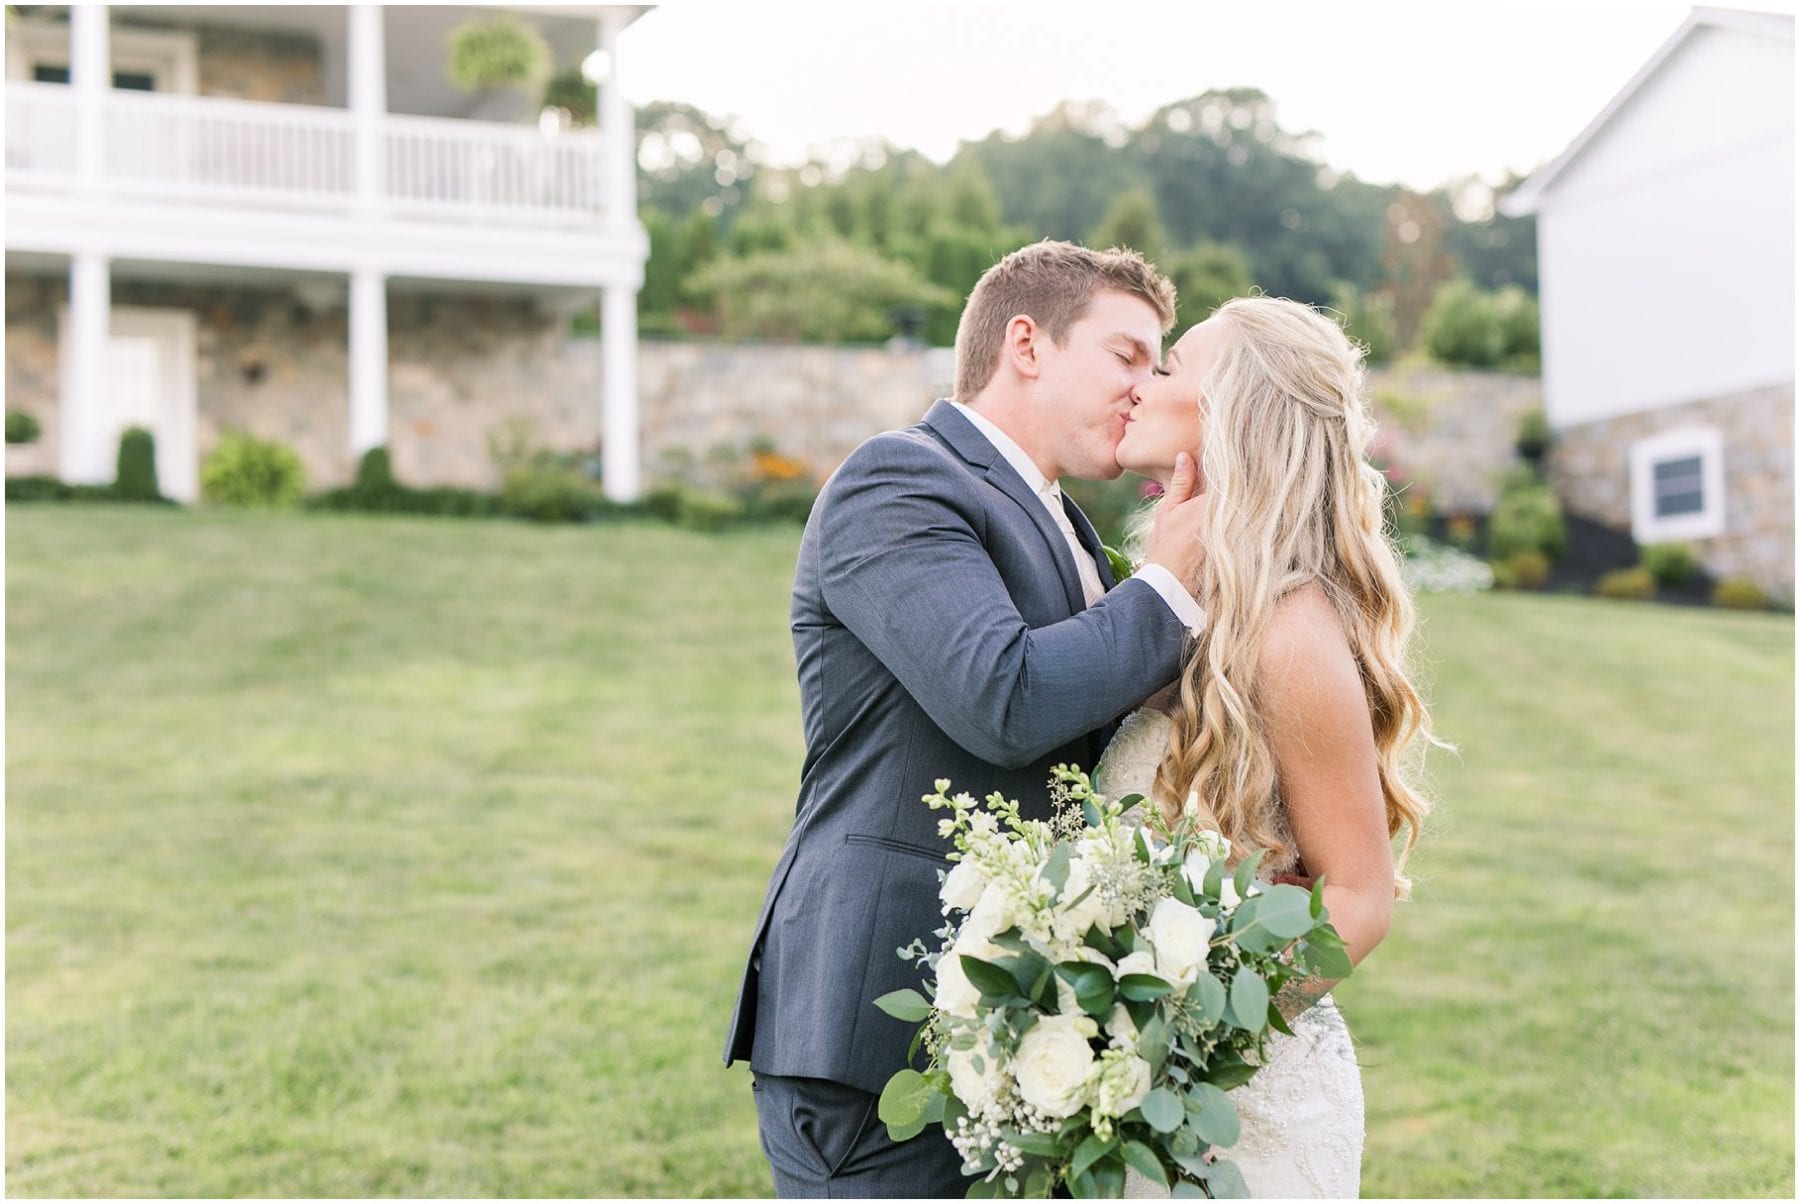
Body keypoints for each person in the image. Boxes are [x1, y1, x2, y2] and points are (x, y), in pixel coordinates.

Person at [722, 240, 1213, 1197]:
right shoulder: (897, 482)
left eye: (1159, 365)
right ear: (1025, 342)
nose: (1144, 388)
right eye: (1125, 356)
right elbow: (1005, 697)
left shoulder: (1072, 530)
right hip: (874, 1037)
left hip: (1024, 1029)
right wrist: (1169, 588)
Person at [1096, 295, 1440, 1198]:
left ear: (1231, 416)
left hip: (1242, 1112)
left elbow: (1360, 899)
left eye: (1169, 369)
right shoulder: (1189, 597)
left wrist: (1182, 1046)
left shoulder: (1288, 631)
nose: (1141, 383)